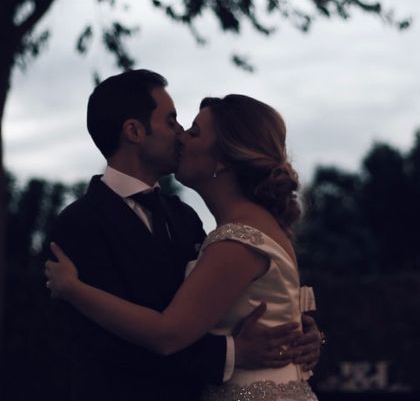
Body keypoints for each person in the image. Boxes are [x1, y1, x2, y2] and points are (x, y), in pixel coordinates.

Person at [46, 70, 322, 401]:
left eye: (190, 130)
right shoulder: (78, 223)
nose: (181, 136)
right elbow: (104, 344)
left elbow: (213, 306)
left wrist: (297, 332)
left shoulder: (186, 217)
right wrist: (229, 354)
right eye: (174, 122)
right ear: (134, 131)